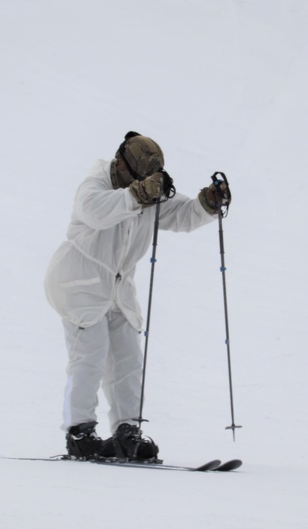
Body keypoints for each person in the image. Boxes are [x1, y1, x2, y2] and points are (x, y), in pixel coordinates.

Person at [43, 132, 229, 461]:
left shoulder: (148, 191)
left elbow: (180, 214)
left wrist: (207, 203)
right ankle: (79, 433)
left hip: (117, 287)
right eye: (139, 178)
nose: (144, 184)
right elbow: (97, 212)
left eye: (148, 180)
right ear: (121, 164)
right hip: (78, 284)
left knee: (128, 359)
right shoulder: (95, 185)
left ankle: (127, 430)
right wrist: (137, 194)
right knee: (90, 357)